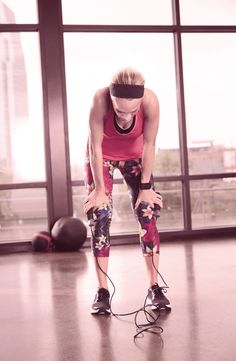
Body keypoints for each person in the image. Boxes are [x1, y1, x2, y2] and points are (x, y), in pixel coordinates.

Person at [84, 67, 170, 314]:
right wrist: (100, 189)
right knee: (100, 214)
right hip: (103, 157)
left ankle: (154, 287)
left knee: (147, 211)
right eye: (120, 111)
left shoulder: (151, 102)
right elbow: (95, 148)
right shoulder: (99, 101)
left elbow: (150, 144)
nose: (125, 117)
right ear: (112, 100)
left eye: (131, 111)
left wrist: (145, 188)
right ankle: (102, 291)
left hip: (136, 156)